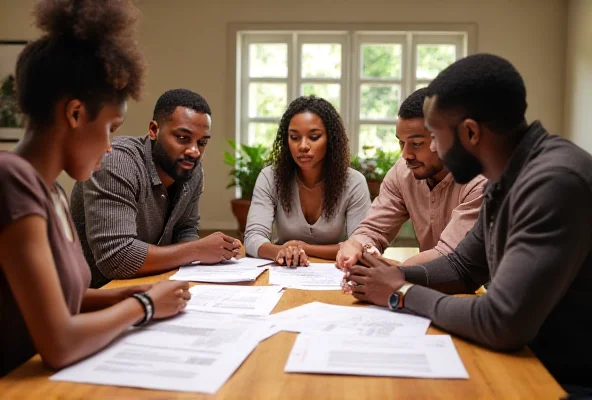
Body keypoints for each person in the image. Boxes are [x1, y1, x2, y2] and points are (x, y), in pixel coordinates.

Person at [343, 53, 592, 393]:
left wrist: (400, 293)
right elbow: (464, 267)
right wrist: (391, 275)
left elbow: (502, 321)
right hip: (525, 360)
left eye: (433, 136)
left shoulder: (554, 182)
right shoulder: (505, 175)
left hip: (565, 379)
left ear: (471, 132)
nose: (430, 148)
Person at [0, 0, 191, 377]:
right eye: (111, 128)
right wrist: (145, 307)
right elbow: (59, 342)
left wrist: (125, 295)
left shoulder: (50, 189)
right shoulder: (11, 179)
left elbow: (59, 300)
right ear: (74, 114)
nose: (109, 146)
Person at [71, 89, 241, 288]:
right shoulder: (117, 161)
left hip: (150, 285)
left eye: (202, 142)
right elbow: (115, 258)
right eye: (182, 138)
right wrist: (196, 250)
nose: (194, 151)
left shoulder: (192, 171)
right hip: (92, 296)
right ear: (153, 130)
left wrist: (213, 251)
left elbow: (186, 229)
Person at [336, 88, 486, 268]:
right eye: (401, 142)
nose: (405, 154)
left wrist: (395, 270)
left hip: (485, 288)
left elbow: (450, 255)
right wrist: (357, 245)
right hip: (429, 285)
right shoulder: (403, 171)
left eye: (416, 144)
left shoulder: (480, 180)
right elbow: (373, 228)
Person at [244, 96, 371, 266]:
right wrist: (281, 251)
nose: (303, 146)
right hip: (285, 269)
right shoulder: (270, 178)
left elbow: (360, 245)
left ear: (330, 140)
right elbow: (253, 237)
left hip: (335, 273)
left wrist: (304, 248)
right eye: (295, 138)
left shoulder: (354, 182)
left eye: (314, 137)